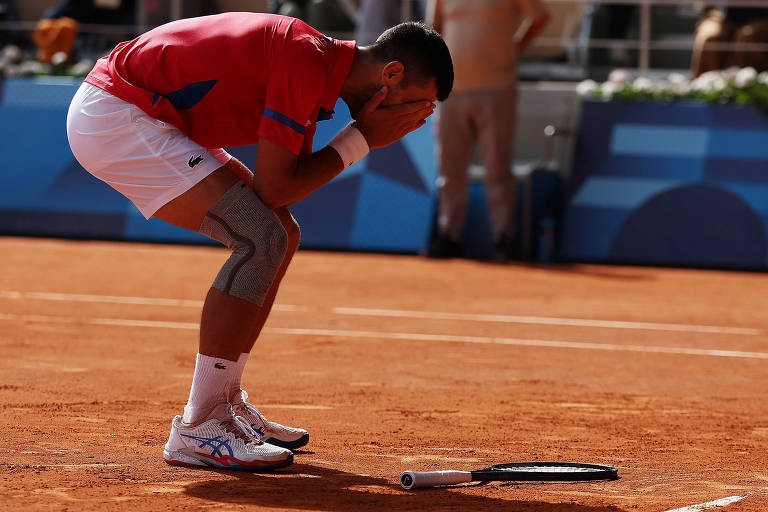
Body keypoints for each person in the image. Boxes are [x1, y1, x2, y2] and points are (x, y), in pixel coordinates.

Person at [67, 12, 453, 471]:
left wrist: (361, 136)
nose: (413, 120)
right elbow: (277, 188)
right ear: (391, 74)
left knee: (280, 233)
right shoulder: (306, 60)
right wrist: (363, 137)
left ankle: (224, 402)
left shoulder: (316, 62)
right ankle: (200, 425)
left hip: (145, 112)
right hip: (118, 113)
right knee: (259, 236)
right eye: (416, 105)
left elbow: (281, 187)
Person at [425, 0, 548, 261]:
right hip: (450, 91)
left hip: (497, 89)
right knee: (449, 168)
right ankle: (448, 235)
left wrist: (513, 50)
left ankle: (504, 239)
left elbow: (540, 17)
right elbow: (433, 29)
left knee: (497, 168)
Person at [692, 7, 768, 77]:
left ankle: (747, 86)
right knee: (710, 38)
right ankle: (706, 88)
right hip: (722, 15)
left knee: (746, 38)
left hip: (762, 17)